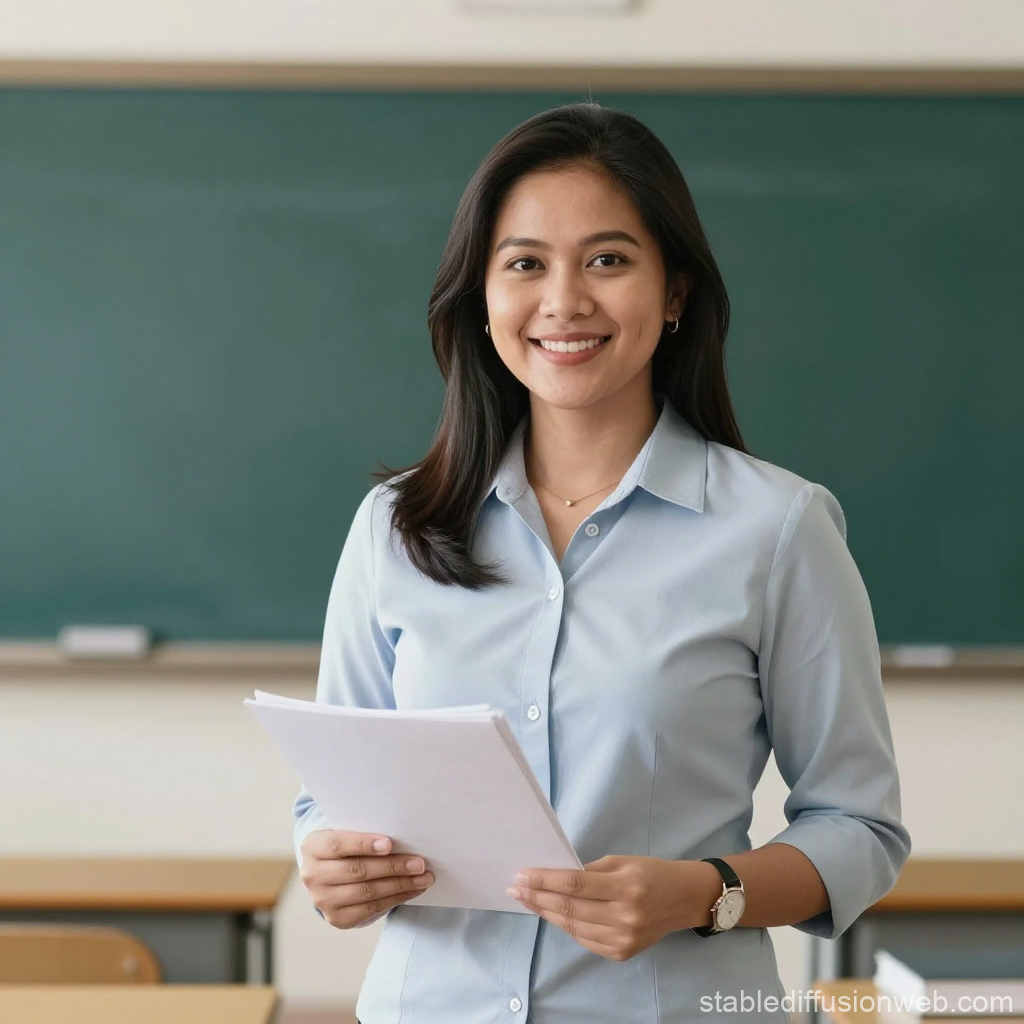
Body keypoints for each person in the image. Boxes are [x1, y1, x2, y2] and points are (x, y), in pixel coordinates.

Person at [293, 103, 910, 1023]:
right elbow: (329, 803)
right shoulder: (397, 526)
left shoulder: (778, 529)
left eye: (608, 260)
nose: (564, 301)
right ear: (482, 295)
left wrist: (704, 894)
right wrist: (333, 867)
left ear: (673, 295)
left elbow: (860, 829)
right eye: (525, 263)